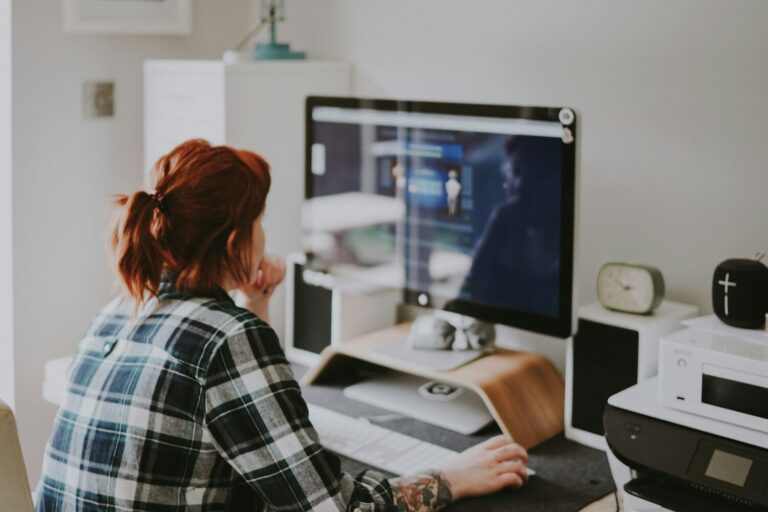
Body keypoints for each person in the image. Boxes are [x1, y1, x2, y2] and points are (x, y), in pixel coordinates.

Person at [35, 140, 530, 512]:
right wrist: (452, 477)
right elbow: (334, 508)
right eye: (260, 219)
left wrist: (251, 303)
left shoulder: (120, 309)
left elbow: (245, 423)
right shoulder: (227, 338)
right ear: (235, 242)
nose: (265, 233)